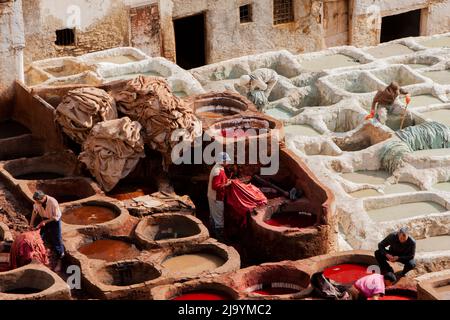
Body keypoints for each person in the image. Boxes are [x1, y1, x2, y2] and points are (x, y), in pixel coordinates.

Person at [29, 190, 65, 270]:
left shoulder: (53, 202)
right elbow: (35, 211)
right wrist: (31, 223)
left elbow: (56, 216)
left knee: (57, 240)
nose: (37, 203)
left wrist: (45, 221)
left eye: (38, 201)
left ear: (44, 197)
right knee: (38, 237)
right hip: (44, 219)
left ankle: (60, 261)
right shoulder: (37, 202)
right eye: (36, 201)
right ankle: (40, 257)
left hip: (54, 221)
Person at [207, 152, 232, 240]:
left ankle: (211, 234)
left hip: (212, 196)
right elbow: (215, 186)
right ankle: (220, 239)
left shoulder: (217, 167)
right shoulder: (218, 172)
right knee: (219, 219)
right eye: (227, 161)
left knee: (213, 215)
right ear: (223, 161)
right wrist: (227, 184)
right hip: (216, 197)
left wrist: (225, 180)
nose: (228, 163)